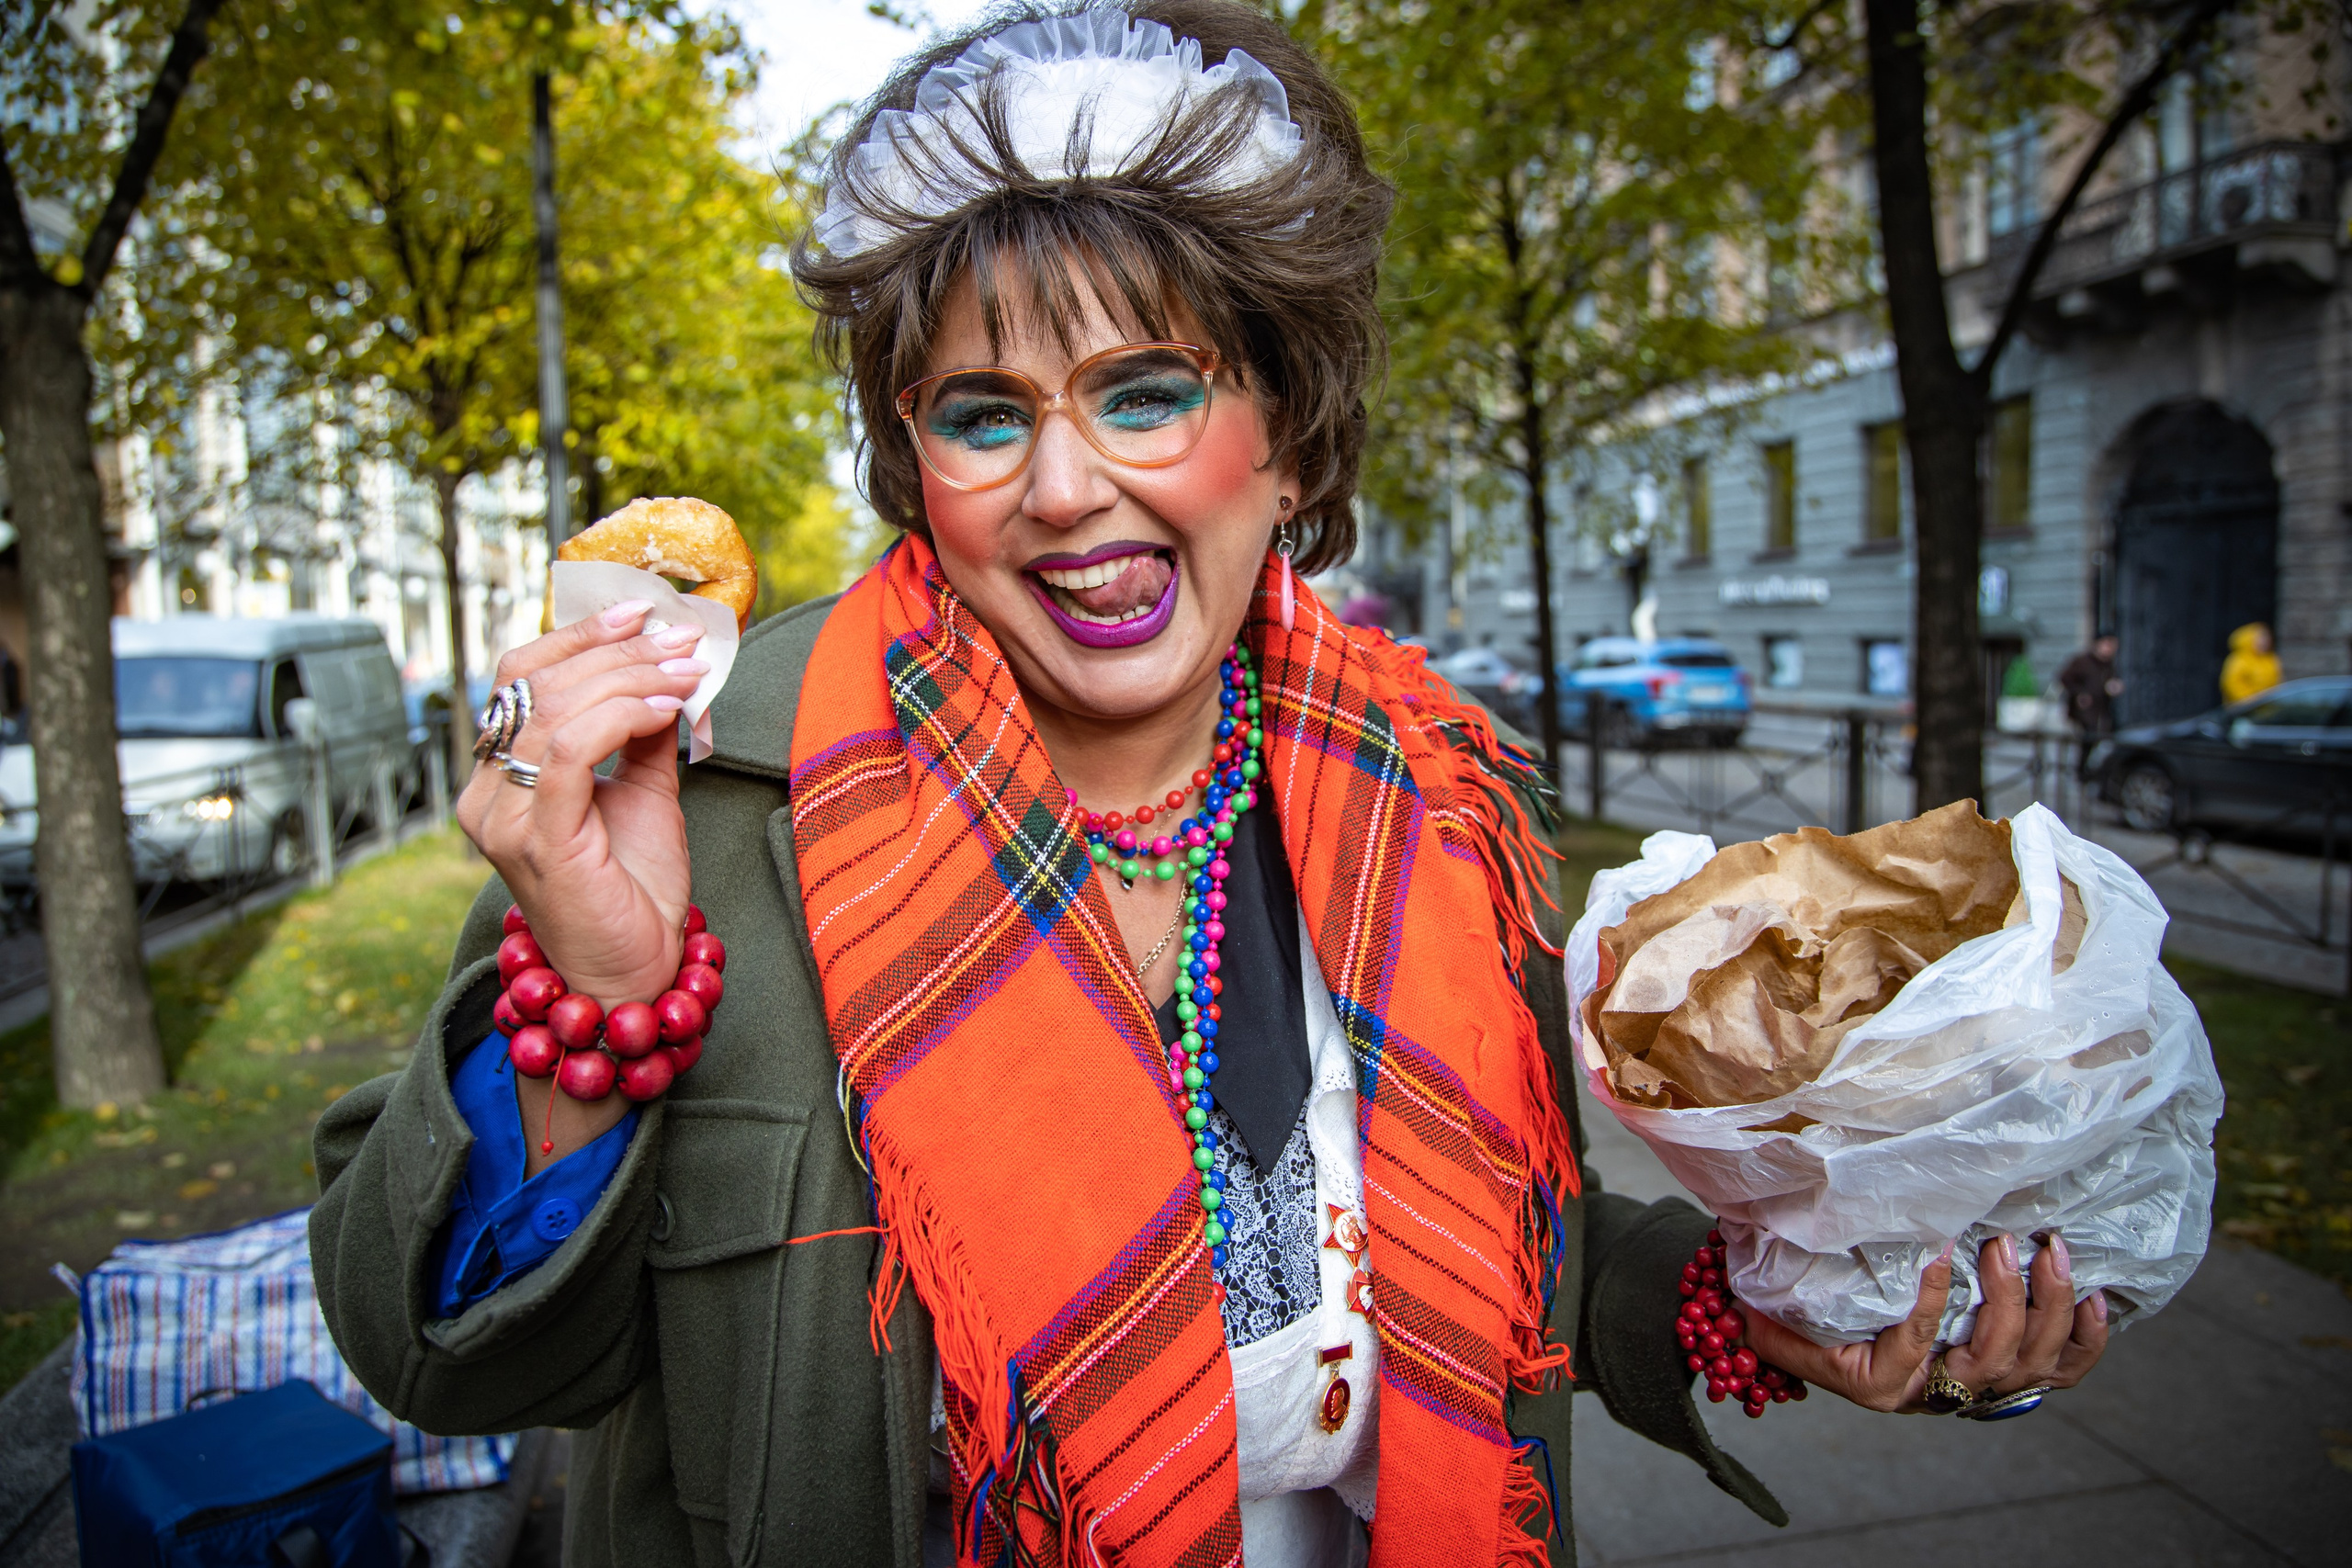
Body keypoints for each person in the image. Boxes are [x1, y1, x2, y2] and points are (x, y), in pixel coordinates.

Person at [306, 7, 2110, 1564]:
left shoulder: (1439, 801)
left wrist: (1763, 1308)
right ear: (914, 463)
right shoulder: (702, 804)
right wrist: (599, 997)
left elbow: (1494, 1245)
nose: (1065, 485)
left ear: (1285, 433)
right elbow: (441, 1360)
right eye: (983, 412)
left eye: (1147, 390)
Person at [2058, 634, 2123, 736]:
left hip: (2101, 710)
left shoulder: (2110, 666)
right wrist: (2079, 693)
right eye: (2107, 645)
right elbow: (2064, 678)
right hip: (2082, 711)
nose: (2109, 649)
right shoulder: (2082, 662)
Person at [2220, 622, 2281, 705]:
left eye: (2267, 638)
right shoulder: (2240, 658)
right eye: (2260, 638)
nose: (2264, 642)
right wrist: (2250, 700)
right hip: (2243, 707)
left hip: (2266, 706)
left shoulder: (2270, 659)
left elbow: (2276, 683)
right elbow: (2232, 684)